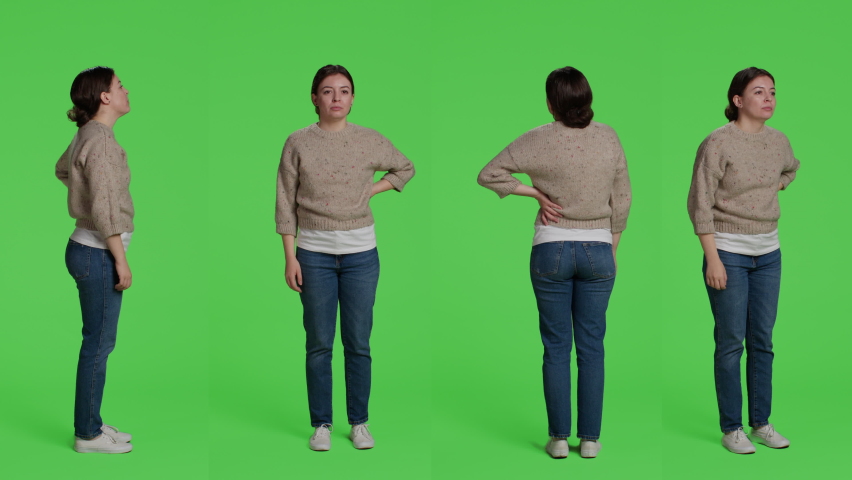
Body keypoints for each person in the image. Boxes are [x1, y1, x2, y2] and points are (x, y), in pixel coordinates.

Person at [477, 66, 631, 459]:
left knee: (556, 346)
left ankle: (559, 438)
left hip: (551, 249)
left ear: (550, 103)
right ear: (587, 98)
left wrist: (534, 193)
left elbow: (488, 174)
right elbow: (623, 198)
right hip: (598, 248)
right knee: (593, 347)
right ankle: (591, 439)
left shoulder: (537, 139)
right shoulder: (608, 137)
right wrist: (611, 246)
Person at [276, 65, 415, 451]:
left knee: (358, 341)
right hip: (314, 254)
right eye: (327, 91)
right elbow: (284, 202)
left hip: (360, 255)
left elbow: (406, 168)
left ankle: (359, 422)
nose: (336, 97)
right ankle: (321, 423)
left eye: (344, 90)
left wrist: (372, 189)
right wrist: (290, 257)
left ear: (353, 98)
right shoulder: (298, 142)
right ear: (314, 98)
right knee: (319, 342)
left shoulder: (369, 140)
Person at [687, 67, 799, 454]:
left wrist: (775, 187)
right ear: (737, 100)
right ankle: (732, 427)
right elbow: (699, 203)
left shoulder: (779, 141)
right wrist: (712, 258)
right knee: (731, 341)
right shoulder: (718, 143)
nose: (768, 98)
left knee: (763, 341)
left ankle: (761, 422)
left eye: (772, 91)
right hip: (728, 252)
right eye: (758, 92)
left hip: (769, 253)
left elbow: (790, 168)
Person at [55, 66, 135, 454]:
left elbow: (61, 169)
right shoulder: (101, 141)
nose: (125, 90)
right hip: (97, 252)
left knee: (97, 342)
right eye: (119, 85)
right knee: (99, 344)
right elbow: (104, 209)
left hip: (84, 248)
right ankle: (87, 434)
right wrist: (121, 260)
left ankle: (93, 422)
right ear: (104, 97)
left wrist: (81, 193)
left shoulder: (86, 134)